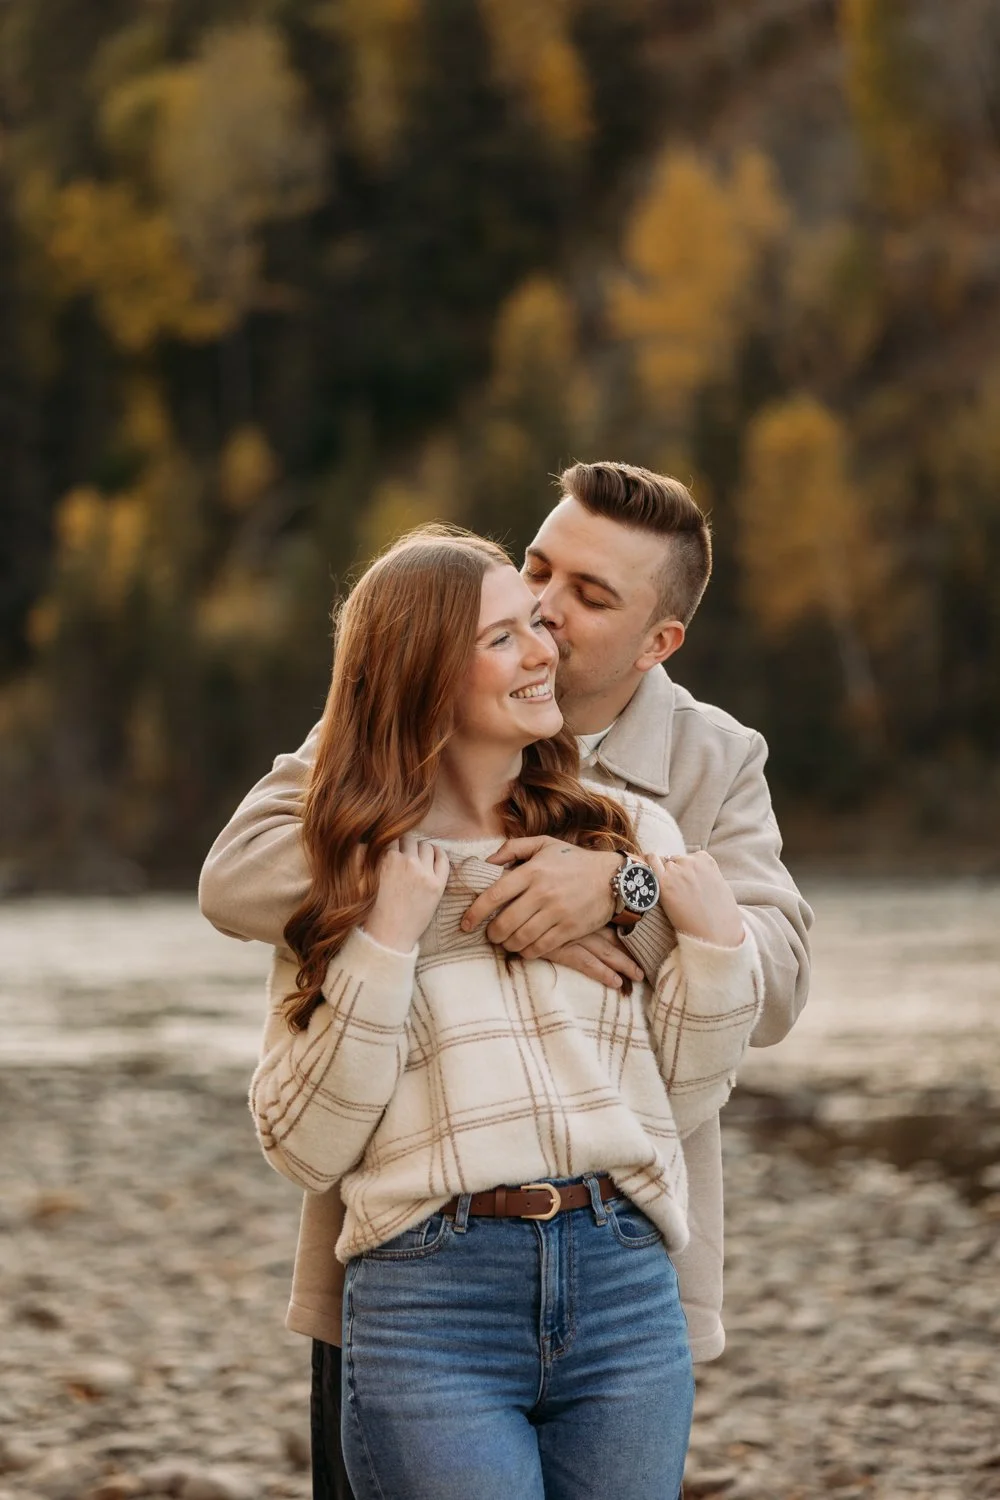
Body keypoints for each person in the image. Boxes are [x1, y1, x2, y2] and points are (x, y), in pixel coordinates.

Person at [200, 462, 813, 1497]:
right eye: (539, 569)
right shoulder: (411, 692)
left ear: (659, 640)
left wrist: (620, 890)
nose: (546, 610)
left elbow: (777, 978)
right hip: (408, 1244)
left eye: (590, 595)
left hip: (620, 1249)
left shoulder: (710, 761)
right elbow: (243, 875)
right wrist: (478, 895)